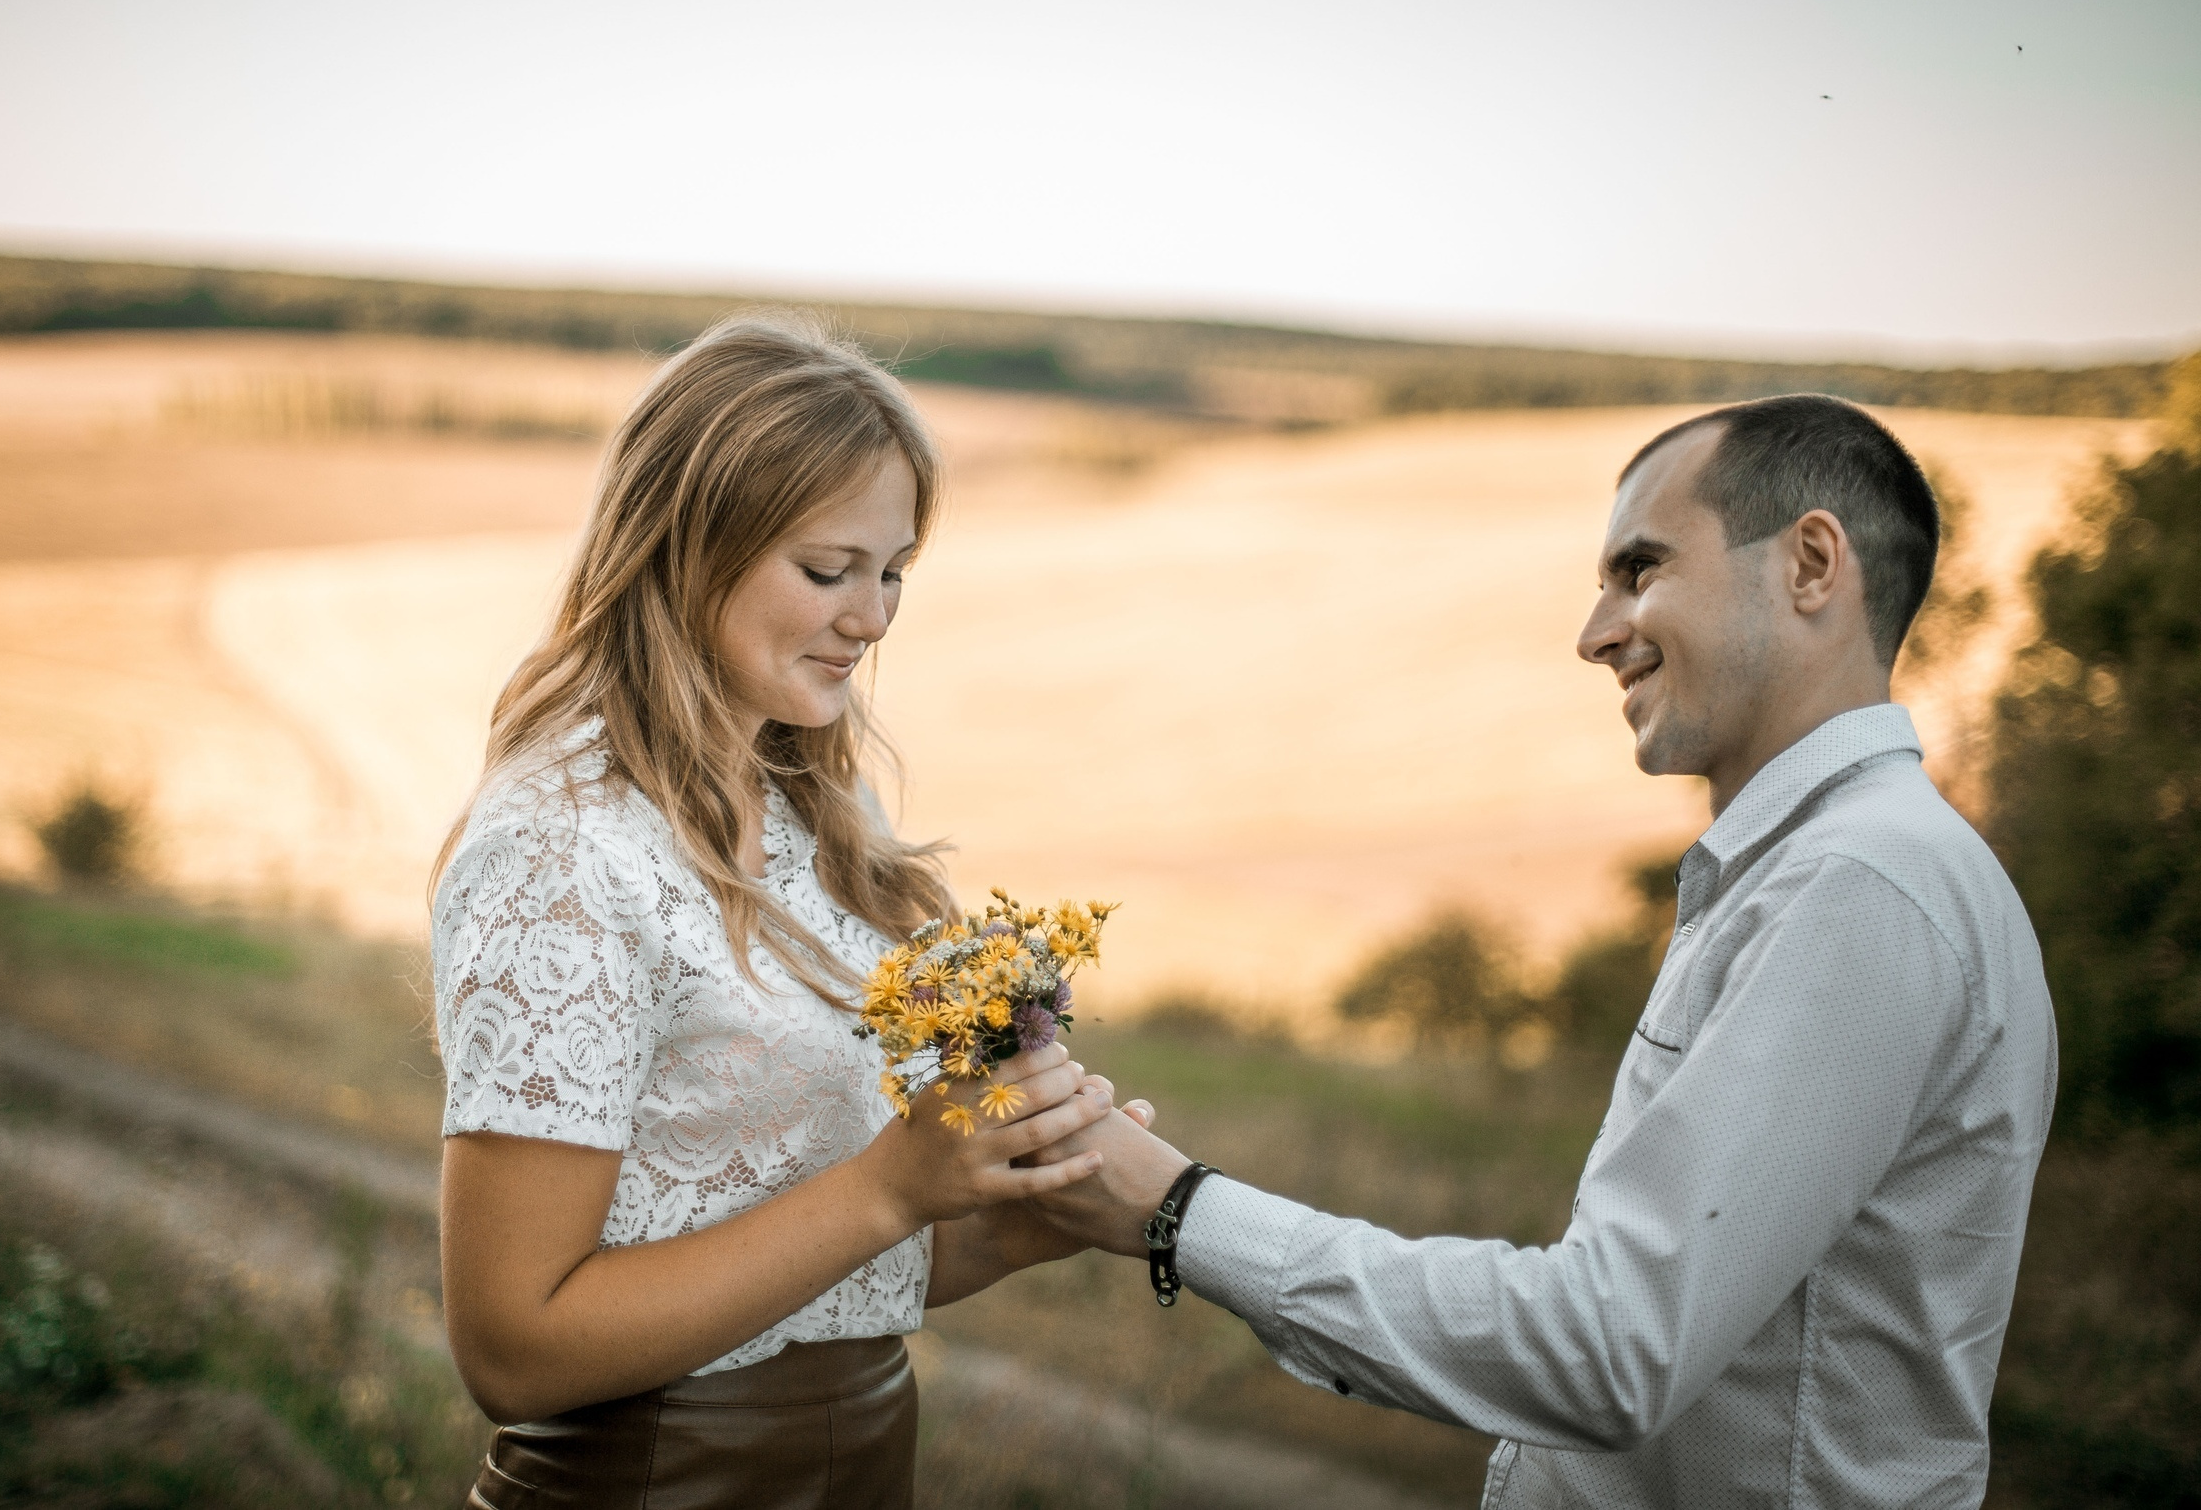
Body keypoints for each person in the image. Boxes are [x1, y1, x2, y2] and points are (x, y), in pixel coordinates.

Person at [1029, 395, 2058, 1508]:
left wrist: (1181, 1210)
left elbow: (1608, 1349)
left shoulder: (1857, 889)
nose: (1595, 632)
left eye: (1640, 569)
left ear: (1811, 563)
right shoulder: (1826, 870)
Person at [429, 315, 1121, 1509]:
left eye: (892, 570)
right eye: (828, 570)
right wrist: (895, 1187)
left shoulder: (816, 808)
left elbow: (815, 1262)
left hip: (859, 1459)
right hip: (650, 1480)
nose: (875, 619)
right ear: (688, 547)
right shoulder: (561, 848)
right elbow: (513, 1350)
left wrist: (1006, 1206)